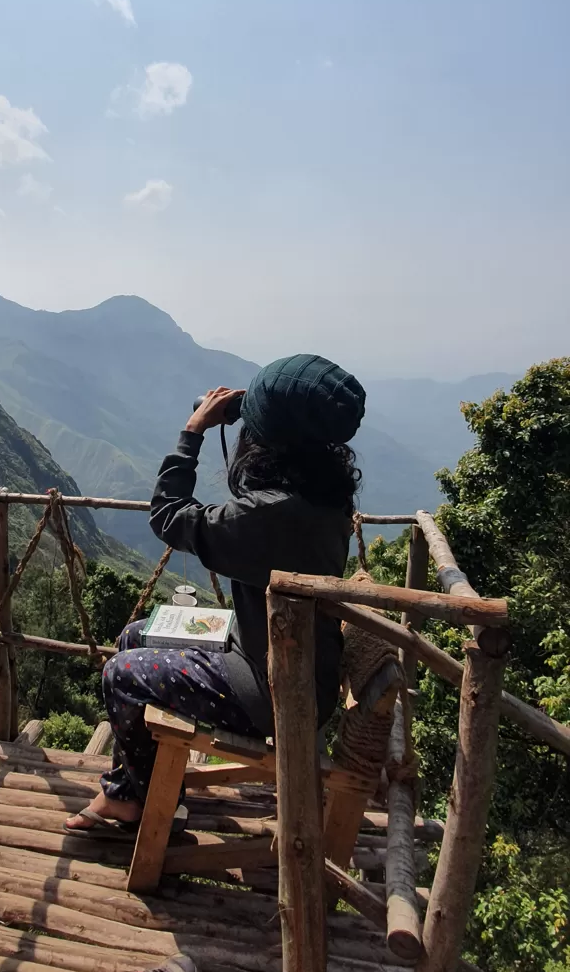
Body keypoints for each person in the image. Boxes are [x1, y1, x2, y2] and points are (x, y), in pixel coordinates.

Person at [65, 353, 364, 834]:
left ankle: (131, 801)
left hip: (273, 688)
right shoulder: (322, 493)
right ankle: (141, 786)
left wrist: (194, 431)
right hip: (287, 661)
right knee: (136, 636)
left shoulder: (269, 515)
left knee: (122, 673)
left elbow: (168, 517)